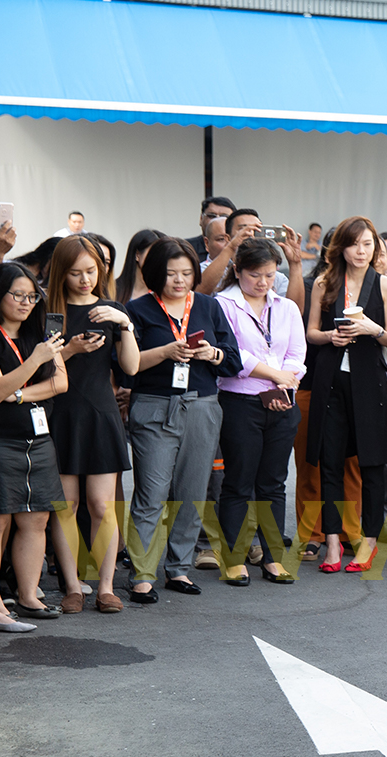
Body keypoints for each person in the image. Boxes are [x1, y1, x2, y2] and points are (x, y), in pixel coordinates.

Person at [123, 238, 242, 602]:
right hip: (154, 406)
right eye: (171, 273)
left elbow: (233, 361)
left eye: (187, 273)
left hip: (202, 405)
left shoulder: (208, 305)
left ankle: (178, 568)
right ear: (154, 274)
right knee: (151, 493)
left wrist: (212, 353)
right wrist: (165, 351)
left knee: (192, 492)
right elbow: (126, 367)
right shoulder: (137, 310)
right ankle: (142, 574)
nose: (179, 280)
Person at [44, 236, 139, 612]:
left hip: (100, 414)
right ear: (60, 274)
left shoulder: (111, 310)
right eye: (75, 273)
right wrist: (70, 349)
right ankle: (72, 586)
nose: (85, 280)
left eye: (91, 271)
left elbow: (131, 367)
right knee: (65, 505)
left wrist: (125, 323)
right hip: (61, 415)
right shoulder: (50, 311)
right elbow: (38, 368)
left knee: (102, 505)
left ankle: (106, 587)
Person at [303, 216, 387, 574]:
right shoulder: (324, 282)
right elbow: (311, 332)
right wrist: (331, 336)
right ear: (340, 247)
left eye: (367, 244)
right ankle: (332, 541)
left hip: (370, 381)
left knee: (373, 463)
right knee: (329, 463)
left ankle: (368, 541)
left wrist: (372, 329)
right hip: (331, 380)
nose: (361, 251)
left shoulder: (386, 284)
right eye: (354, 244)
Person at [211, 238, 306, 585]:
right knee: (238, 481)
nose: (263, 282)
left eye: (269, 274)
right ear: (237, 271)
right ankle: (234, 558)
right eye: (255, 275)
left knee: (273, 483)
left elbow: (297, 353)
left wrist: (285, 384)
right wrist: (274, 376)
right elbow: (234, 355)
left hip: (282, 401)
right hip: (240, 402)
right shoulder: (223, 304)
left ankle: (273, 558)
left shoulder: (286, 307)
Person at [0, 264, 69, 628]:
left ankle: (28, 595)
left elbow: (61, 383)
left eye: (32, 296)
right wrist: (35, 361)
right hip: (0, 439)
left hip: (38, 440)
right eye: (18, 295)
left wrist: (20, 393)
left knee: (37, 517)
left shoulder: (40, 334)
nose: (26, 302)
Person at [198, 209, 304, 309]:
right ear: (228, 238)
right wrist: (230, 248)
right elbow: (197, 296)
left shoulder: (275, 277)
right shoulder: (207, 270)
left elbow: (295, 312)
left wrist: (295, 264)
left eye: (256, 230)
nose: (250, 235)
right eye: (243, 229)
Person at [117, 229, 166, 302]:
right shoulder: (112, 290)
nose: (156, 259)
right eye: (152, 253)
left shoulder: (163, 294)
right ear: (137, 255)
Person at [186, 196, 236, 261]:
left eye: (224, 216)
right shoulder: (185, 248)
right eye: (211, 216)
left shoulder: (242, 248)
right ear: (201, 219)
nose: (217, 220)